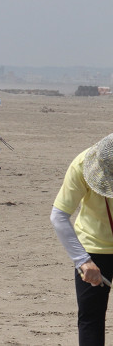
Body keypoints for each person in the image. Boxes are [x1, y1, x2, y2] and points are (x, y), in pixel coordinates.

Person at [51, 133, 113, 345]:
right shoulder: (81, 165)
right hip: (93, 251)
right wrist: (83, 260)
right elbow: (59, 215)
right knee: (91, 319)